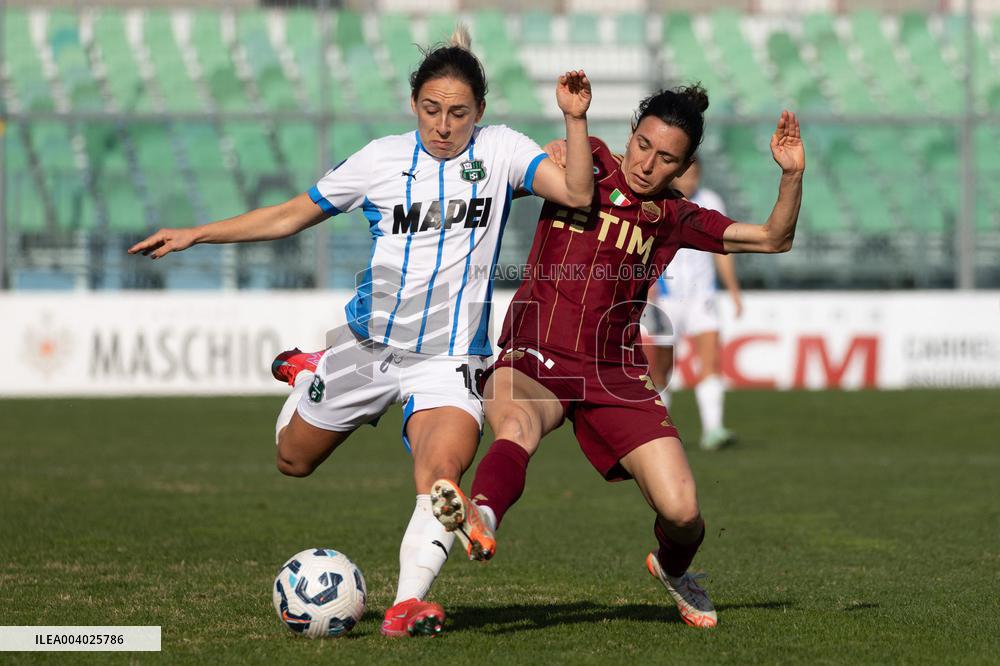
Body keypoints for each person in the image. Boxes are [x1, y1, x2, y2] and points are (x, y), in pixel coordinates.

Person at [128, 28, 594, 637]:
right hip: (365, 350)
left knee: (442, 478)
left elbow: (579, 192)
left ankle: (406, 605)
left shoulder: (503, 150)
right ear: (413, 105)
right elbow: (291, 215)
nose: (443, 125)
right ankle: (313, 370)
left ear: (479, 113)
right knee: (292, 460)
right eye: (431, 109)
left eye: (458, 112)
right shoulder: (380, 160)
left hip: (448, 361)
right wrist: (197, 232)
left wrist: (573, 120)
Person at [429, 85, 805, 629]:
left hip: (614, 373)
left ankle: (673, 569)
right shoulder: (587, 163)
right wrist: (569, 128)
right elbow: (505, 163)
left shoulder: (675, 216)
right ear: (630, 135)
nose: (648, 163)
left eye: (666, 158)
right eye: (643, 144)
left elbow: (774, 238)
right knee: (515, 426)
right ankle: (482, 516)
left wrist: (790, 175)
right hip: (536, 351)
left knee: (681, 511)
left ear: (685, 167)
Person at [642, 160, 744, 451]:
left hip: (703, 297)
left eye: (695, 173)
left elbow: (722, 249)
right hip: (665, 298)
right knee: (661, 368)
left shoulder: (710, 201)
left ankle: (713, 429)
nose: (690, 180)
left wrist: (733, 289)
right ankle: (657, 430)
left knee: (711, 360)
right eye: (686, 174)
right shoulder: (658, 203)